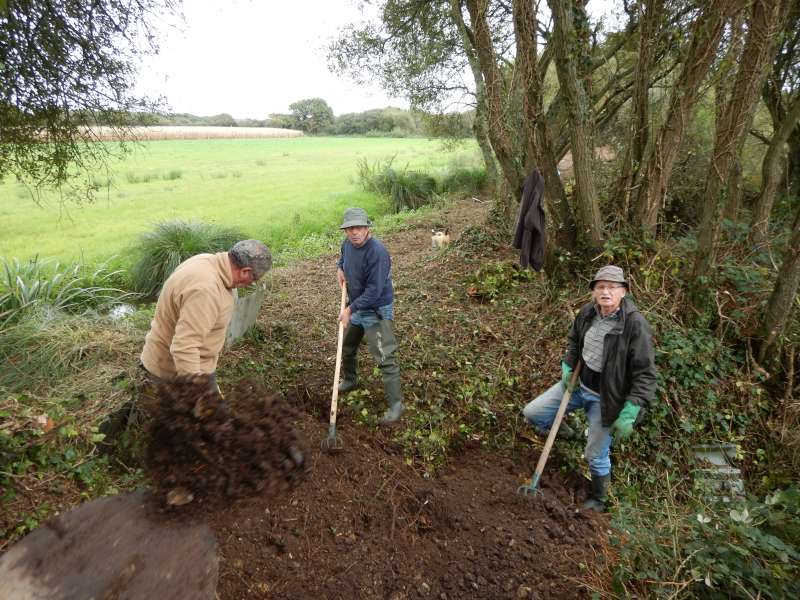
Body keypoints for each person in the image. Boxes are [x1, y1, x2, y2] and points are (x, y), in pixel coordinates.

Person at [522, 265, 656, 511]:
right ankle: (570, 433)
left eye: (612, 287)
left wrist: (631, 409)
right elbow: (574, 340)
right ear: (594, 291)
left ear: (623, 291)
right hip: (577, 384)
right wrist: (567, 365)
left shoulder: (634, 326)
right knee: (533, 413)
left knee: (595, 455)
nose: (605, 292)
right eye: (600, 287)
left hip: (606, 399)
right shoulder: (588, 312)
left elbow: (645, 374)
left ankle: (599, 498)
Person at [140, 239, 272, 386]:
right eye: (254, 279)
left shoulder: (207, 261)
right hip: (175, 375)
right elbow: (185, 346)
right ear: (245, 271)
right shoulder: (206, 290)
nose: (252, 284)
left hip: (195, 368)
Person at [336, 207, 404, 424]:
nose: (354, 232)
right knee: (347, 346)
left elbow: (374, 291)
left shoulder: (377, 252)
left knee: (385, 357)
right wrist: (340, 268)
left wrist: (349, 309)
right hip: (357, 305)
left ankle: (396, 405)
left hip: (375, 309)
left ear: (367, 228)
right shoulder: (347, 244)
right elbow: (343, 257)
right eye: (349, 229)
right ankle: (351, 380)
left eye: (358, 228)